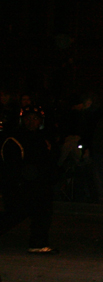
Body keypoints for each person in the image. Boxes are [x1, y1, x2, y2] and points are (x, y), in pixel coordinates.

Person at [0, 106, 59, 254]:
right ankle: (38, 243)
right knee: (13, 215)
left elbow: (48, 161)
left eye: (35, 118)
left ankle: (38, 244)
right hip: (21, 186)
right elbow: (11, 165)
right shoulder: (14, 138)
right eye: (28, 118)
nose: (31, 121)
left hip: (39, 185)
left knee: (41, 214)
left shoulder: (43, 138)